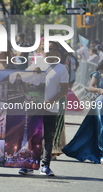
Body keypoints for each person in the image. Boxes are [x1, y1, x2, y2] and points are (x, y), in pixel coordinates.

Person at [18, 41, 69, 176]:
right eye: (44, 48)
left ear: (57, 52)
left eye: (50, 49)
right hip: (34, 107)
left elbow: (64, 90)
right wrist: (31, 73)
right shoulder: (36, 65)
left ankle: (45, 165)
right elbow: (23, 79)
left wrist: (50, 101)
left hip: (50, 108)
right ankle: (30, 163)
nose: (47, 51)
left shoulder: (61, 68)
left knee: (47, 136)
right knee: (33, 135)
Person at [62, 60, 103, 164]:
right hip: (100, 103)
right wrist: (100, 90)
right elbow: (90, 87)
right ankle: (101, 153)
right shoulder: (98, 74)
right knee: (101, 127)